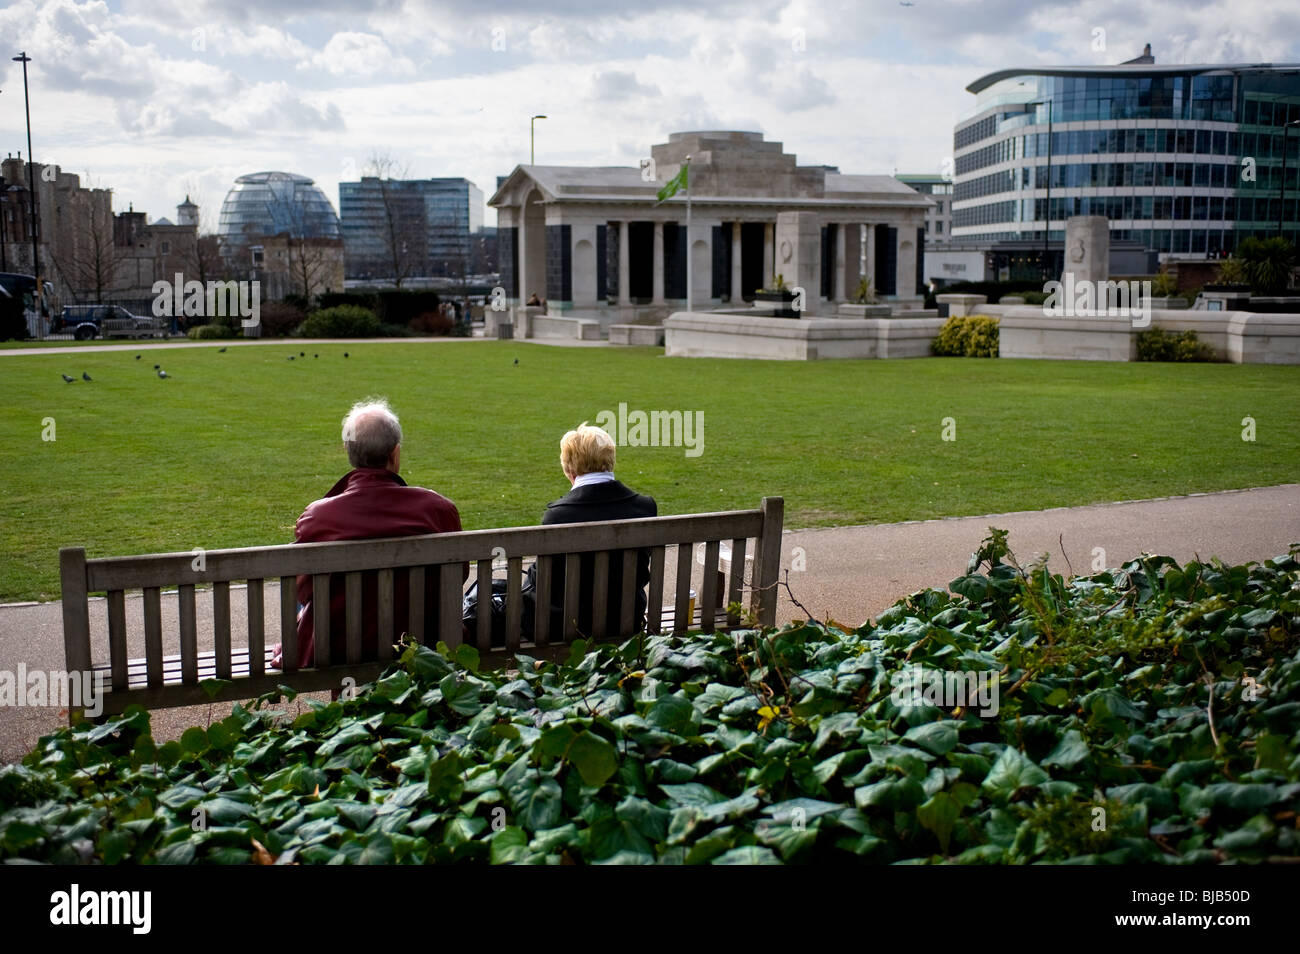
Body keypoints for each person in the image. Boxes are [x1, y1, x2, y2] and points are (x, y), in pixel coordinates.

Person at [271, 398, 465, 670]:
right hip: (421, 643)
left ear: (348, 452)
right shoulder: (439, 509)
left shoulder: (317, 518)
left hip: (337, 648)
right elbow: (458, 577)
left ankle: (345, 700)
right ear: (395, 454)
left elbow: (303, 592)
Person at [531, 422, 656, 638]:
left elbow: (546, 581)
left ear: (569, 470)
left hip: (570, 628)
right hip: (627, 621)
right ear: (611, 460)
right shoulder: (645, 507)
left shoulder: (558, 517)